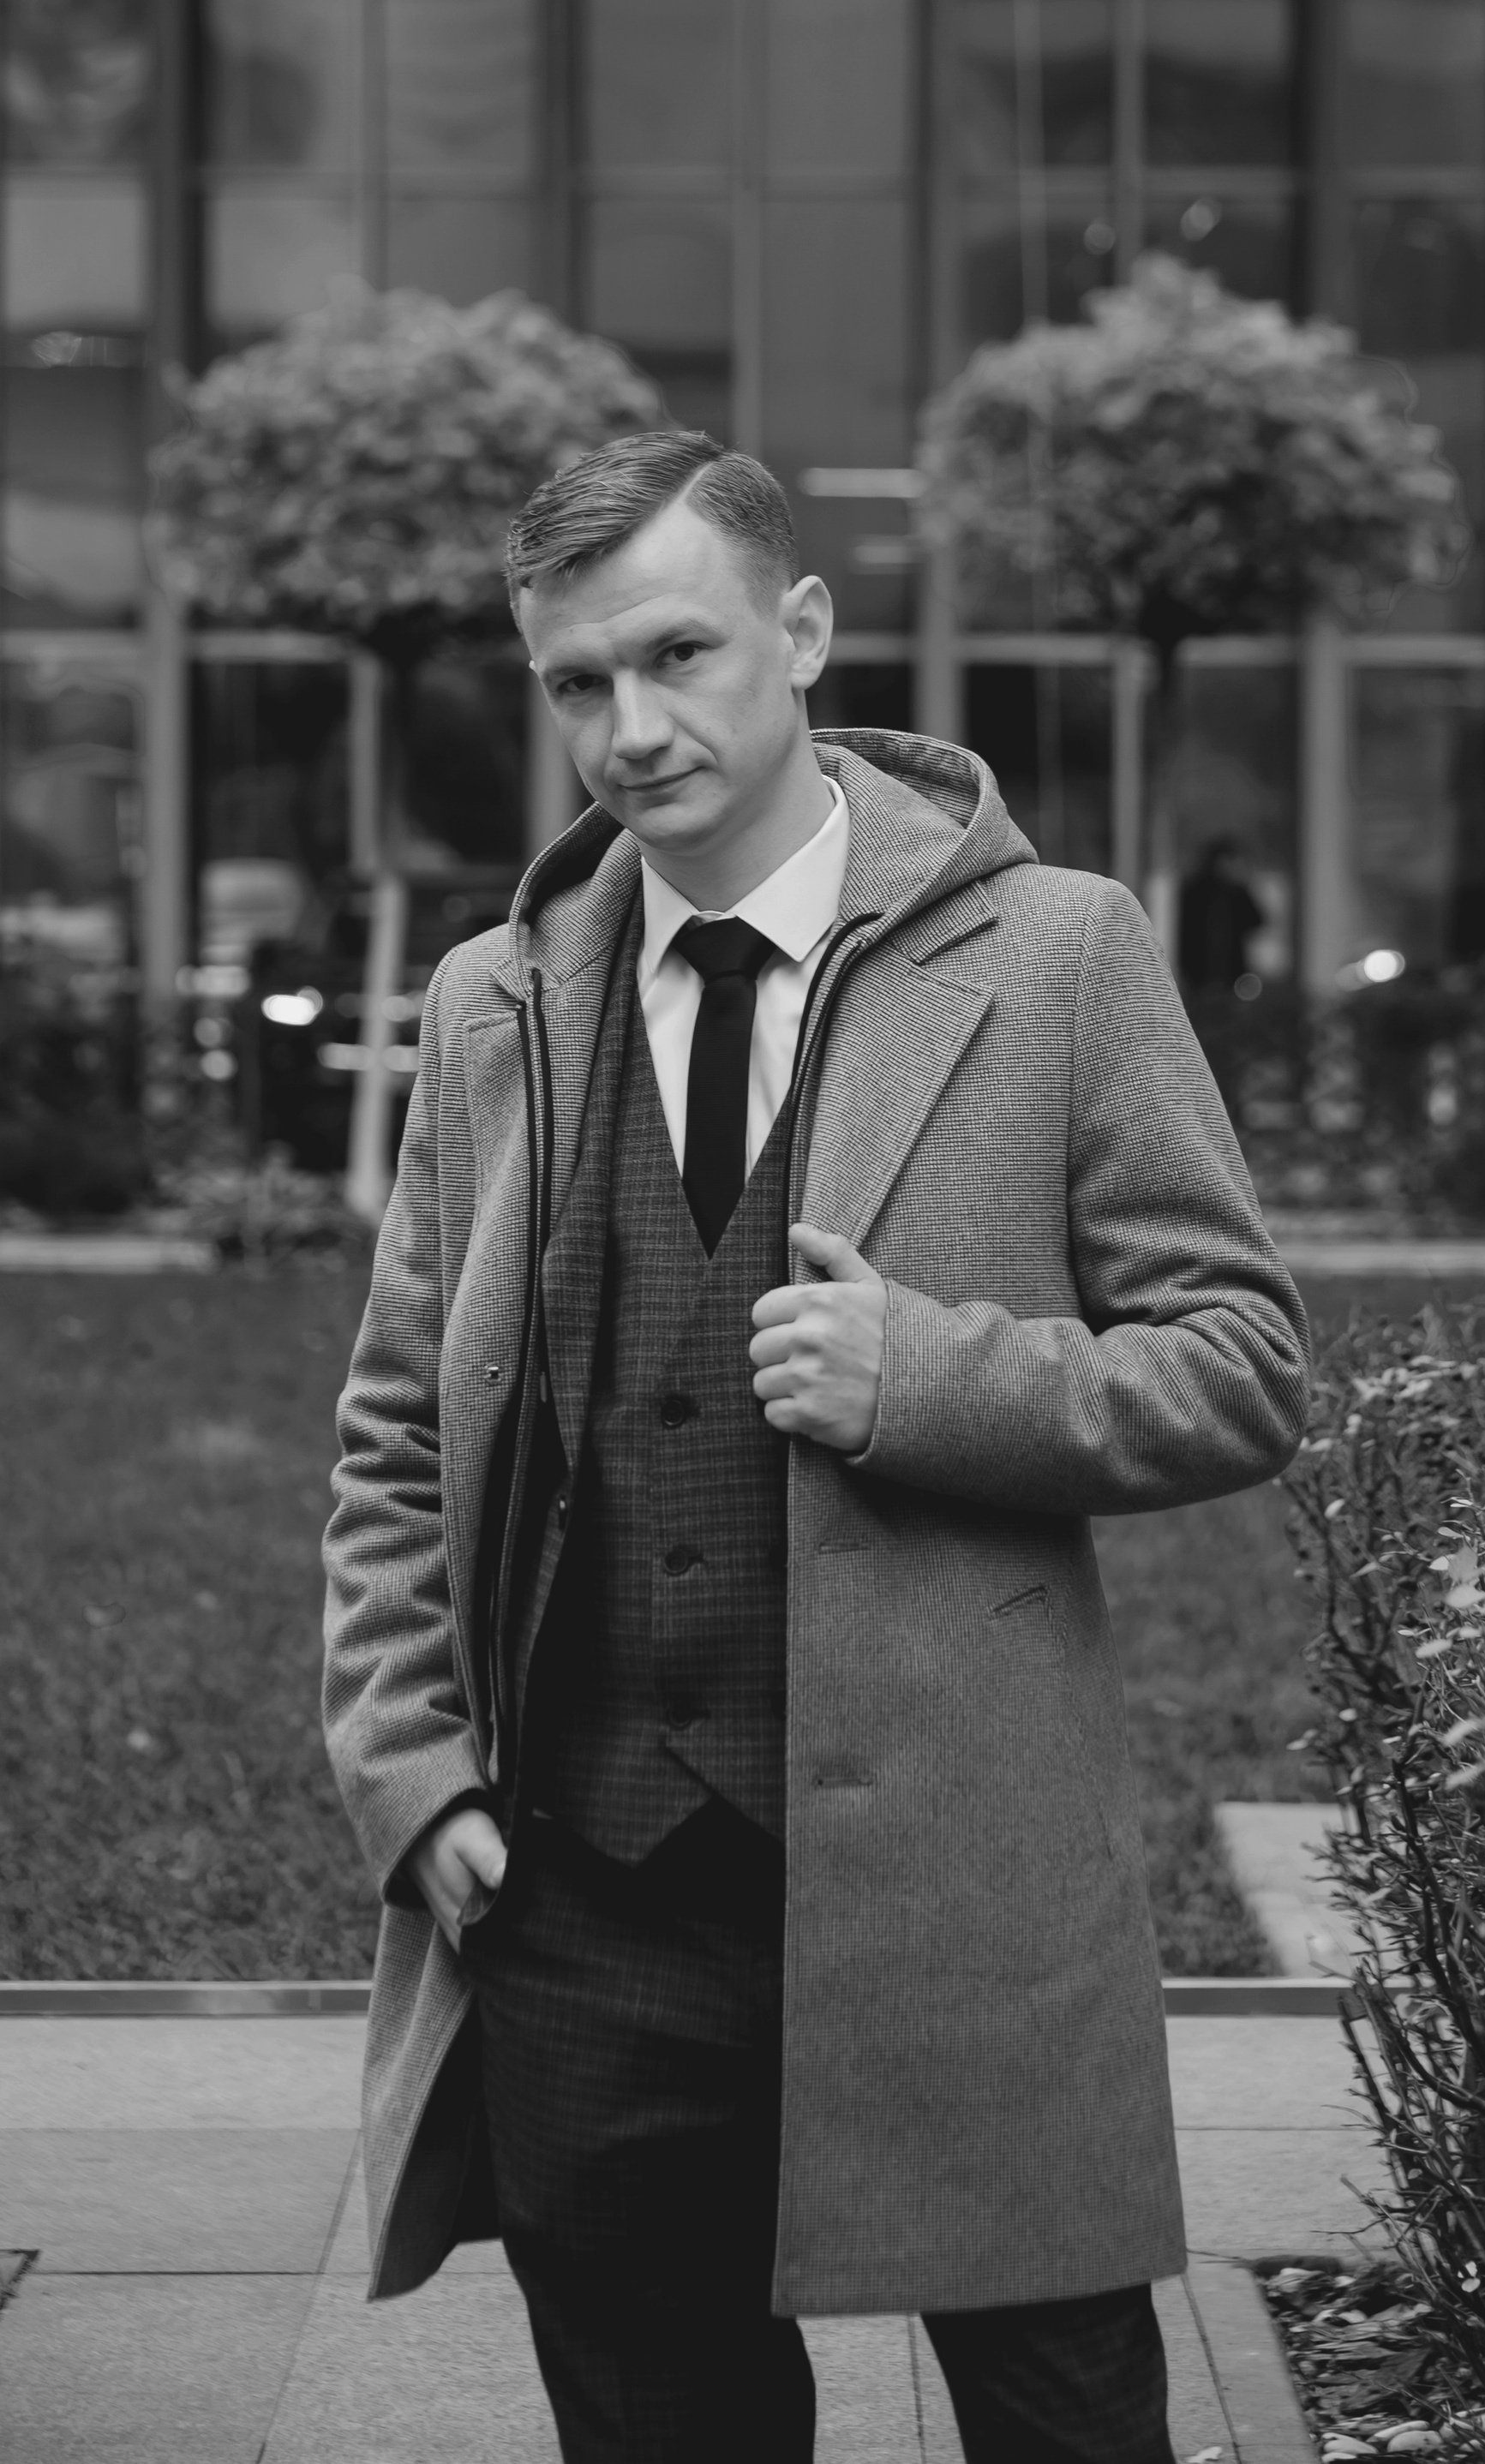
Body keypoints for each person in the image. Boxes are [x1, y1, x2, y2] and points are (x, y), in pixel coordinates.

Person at [322, 430, 1310, 2463]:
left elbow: (1241, 1363)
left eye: (677, 653)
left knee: (1067, 2427)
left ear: (802, 629)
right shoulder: (496, 999)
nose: (630, 728)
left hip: (959, 1899)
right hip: (584, 1903)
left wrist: (929, 1378)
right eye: (577, 680)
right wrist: (412, 1774)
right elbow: (400, 1425)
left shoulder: (1056, 954)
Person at [1177, 836, 1266, 994]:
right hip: (1197, 970)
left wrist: (1245, 884)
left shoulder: (1237, 893)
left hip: (1231, 971)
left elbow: (1257, 921)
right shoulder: (1195, 891)